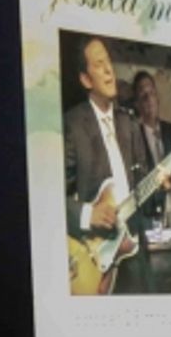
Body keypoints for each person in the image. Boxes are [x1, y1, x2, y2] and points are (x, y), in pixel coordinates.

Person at [64, 34, 154, 294]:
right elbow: (46, 196)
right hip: (95, 258)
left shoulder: (130, 123)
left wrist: (160, 184)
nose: (108, 70)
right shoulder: (72, 125)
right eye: (99, 64)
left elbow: (145, 195)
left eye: (108, 62)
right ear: (85, 79)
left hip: (134, 253)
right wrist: (87, 214)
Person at [132, 69, 171, 230]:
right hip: (149, 223)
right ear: (137, 104)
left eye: (152, 93)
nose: (149, 99)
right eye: (143, 95)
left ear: (158, 98)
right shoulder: (133, 138)